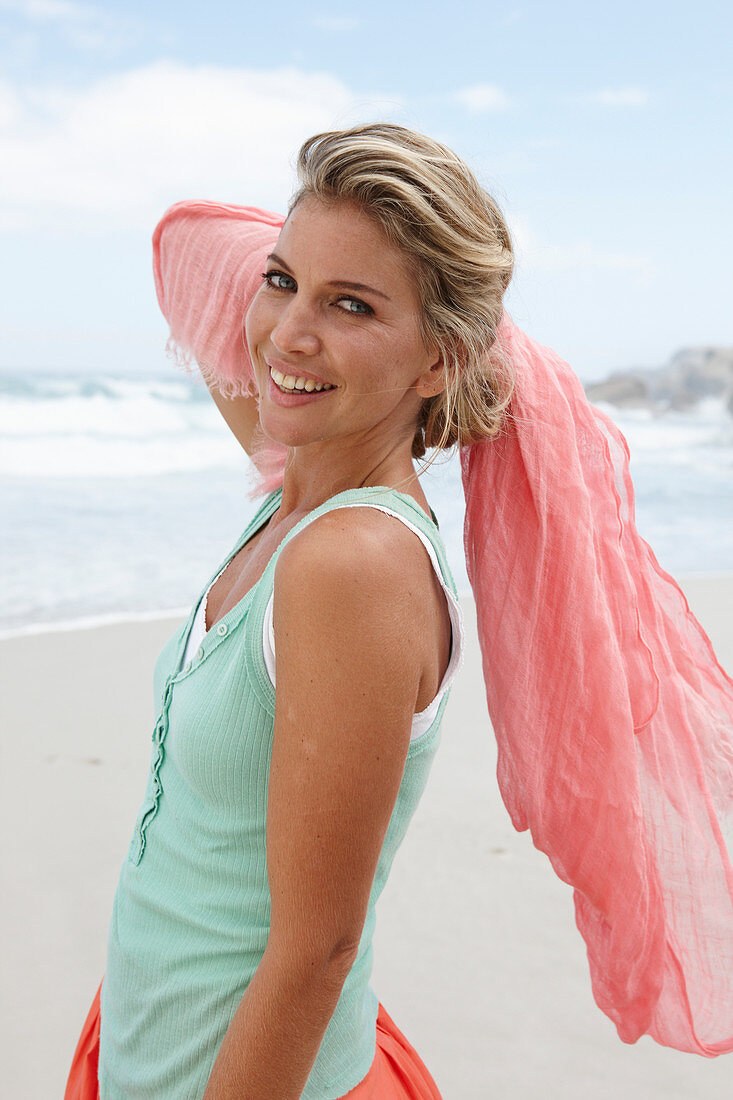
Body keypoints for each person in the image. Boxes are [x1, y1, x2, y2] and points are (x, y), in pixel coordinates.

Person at [65, 124, 733, 1099]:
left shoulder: (354, 561)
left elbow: (317, 948)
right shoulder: (294, 492)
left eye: (353, 305)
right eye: (281, 279)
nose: (290, 333)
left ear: (437, 362)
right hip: (151, 1040)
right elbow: (193, 251)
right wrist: (316, 274)